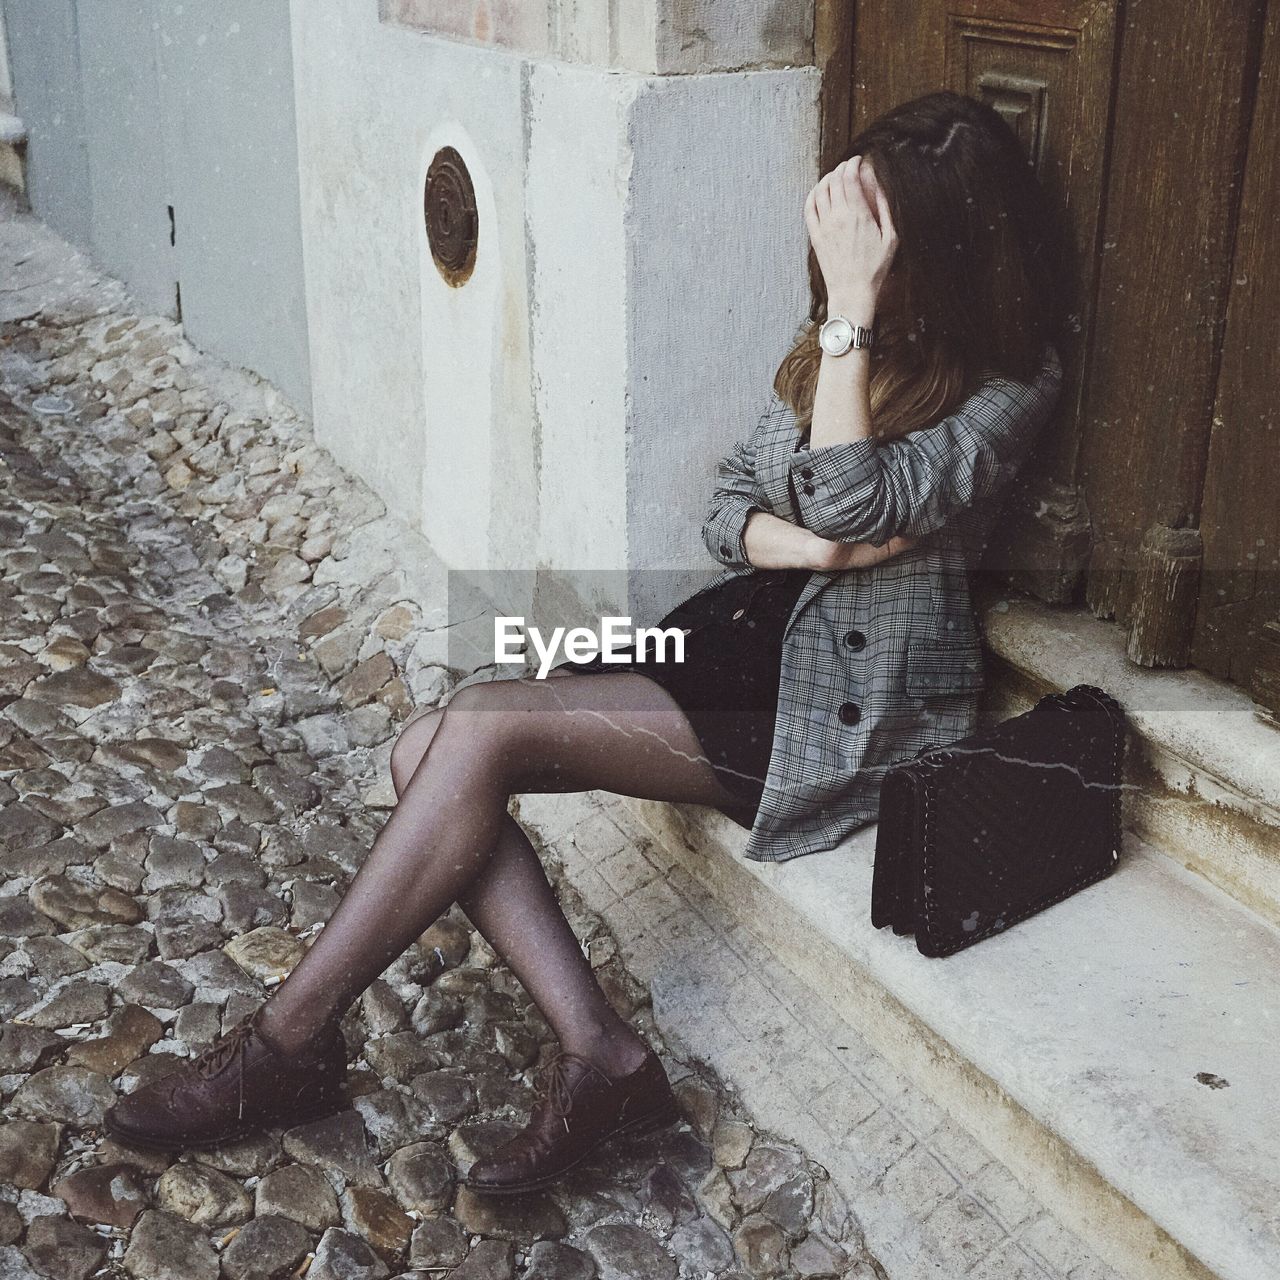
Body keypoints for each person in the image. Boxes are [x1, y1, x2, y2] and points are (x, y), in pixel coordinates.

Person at [104, 89, 1068, 1194]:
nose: (841, 257)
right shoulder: (845, 343)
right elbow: (724, 504)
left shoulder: (1003, 386)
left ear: (935, 250)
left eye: (869, 238)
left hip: (836, 708)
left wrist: (845, 325)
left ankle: (287, 1044)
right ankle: (600, 1056)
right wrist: (801, 549)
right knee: (428, 746)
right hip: (744, 636)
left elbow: (846, 495)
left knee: (470, 733)